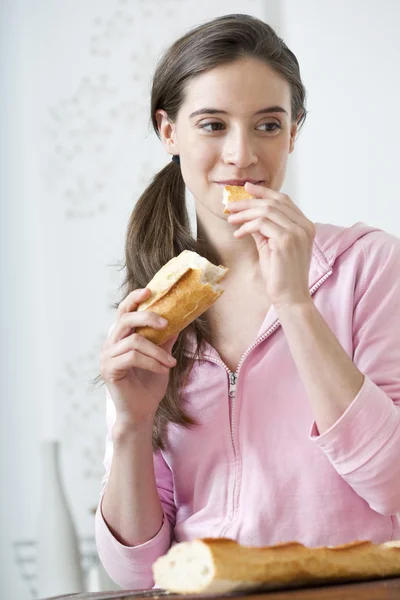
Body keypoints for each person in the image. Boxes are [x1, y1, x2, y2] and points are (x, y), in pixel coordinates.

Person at [95, 13, 400, 590]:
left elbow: (392, 486)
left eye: (267, 125)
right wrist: (131, 426)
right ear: (168, 131)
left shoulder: (370, 266)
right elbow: (136, 571)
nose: (242, 154)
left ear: (293, 132)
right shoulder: (155, 305)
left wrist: (295, 303)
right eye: (212, 124)